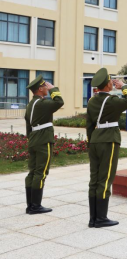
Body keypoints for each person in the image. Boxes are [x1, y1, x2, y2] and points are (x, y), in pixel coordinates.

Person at [86, 69, 127, 228]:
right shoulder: (112, 100)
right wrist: (124, 87)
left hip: (94, 140)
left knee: (94, 179)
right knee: (106, 178)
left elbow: (89, 125)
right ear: (108, 84)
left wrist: (90, 142)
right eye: (111, 81)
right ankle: (101, 218)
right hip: (108, 140)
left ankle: (93, 218)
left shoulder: (92, 101)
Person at [24, 75, 64, 215]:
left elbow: (28, 126)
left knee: (32, 172)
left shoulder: (31, 104)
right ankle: (36, 206)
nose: (47, 88)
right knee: (41, 172)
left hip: (34, 139)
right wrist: (55, 90)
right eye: (45, 86)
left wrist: (31, 138)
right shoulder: (42, 104)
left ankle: (30, 205)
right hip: (43, 140)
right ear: (40, 89)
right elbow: (59, 102)